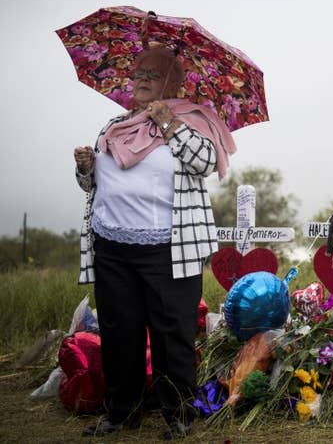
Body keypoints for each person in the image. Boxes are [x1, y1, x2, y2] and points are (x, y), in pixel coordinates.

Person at [73, 46, 235, 439]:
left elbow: (202, 163)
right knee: (119, 332)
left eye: (152, 73)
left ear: (174, 83)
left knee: (172, 333)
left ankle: (178, 413)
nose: (141, 79)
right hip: (112, 243)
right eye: (138, 72)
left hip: (168, 247)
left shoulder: (191, 124)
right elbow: (94, 186)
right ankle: (120, 411)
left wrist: (168, 122)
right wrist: (85, 169)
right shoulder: (114, 125)